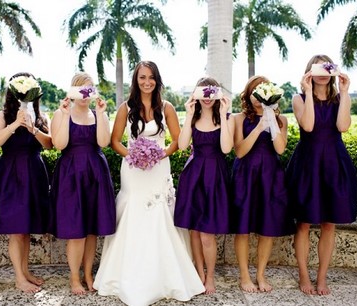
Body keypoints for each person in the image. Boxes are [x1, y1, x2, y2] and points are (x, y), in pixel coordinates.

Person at [93, 61, 205, 306]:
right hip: (133, 170)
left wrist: (159, 154)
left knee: (160, 214)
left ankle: (166, 276)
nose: (147, 82)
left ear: (157, 80)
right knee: (133, 211)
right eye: (142, 77)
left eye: (151, 77)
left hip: (158, 169)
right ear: (136, 80)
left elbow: (177, 141)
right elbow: (115, 141)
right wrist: (132, 155)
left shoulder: (167, 108)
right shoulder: (125, 108)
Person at [286, 55, 357, 295]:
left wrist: (345, 92)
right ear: (309, 72)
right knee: (304, 223)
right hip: (308, 163)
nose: (321, 73)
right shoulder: (298, 98)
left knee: (329, 223)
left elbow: (343, 127)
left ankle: (322, 277)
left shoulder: (339, 99)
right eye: (316, 68)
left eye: (327, 68)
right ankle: (304, 276)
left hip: (334, 162)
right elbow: (307, 125)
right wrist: (308, 92)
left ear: (333, 72)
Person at [49, 72, 116, 294]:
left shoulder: (98, 114)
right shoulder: (61, 114)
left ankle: (88, 274)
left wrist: (101, 113)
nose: (85, 94)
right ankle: (74, 277)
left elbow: (104, 142)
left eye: (89, 89)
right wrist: (66, 114)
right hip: (71, 175)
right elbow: (59, 144)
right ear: (72, 91)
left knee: (92, 230)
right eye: (81, 89)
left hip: (95, 173)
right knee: (76, 231)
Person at [231, 75, 295, 293]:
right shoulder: (238, 118)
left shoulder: (281, 120)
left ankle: (260, 274)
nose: (258, 97)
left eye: (263, 92)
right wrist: (259, 127)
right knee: (243, 229)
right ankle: (244, 276)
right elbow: (239, 151)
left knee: (267, 228)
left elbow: (279, 149)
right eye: (254, 92)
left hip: (271, 176)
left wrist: (270, 116)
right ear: (248, 95)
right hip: (245, 175)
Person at [0, 72, 52, 293]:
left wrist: (33, 129)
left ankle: (25, 272)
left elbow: (50, 144)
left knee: (26, 228)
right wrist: (15, 123)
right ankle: (19, 278)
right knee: (16, 229)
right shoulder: (2, 116)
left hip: (34, 174)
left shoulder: (41, 116)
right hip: (10, 175)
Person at [174, 76, 234, 294]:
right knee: (195, 230)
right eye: (203, 92)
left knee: (207, 233)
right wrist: (189, 114)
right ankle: (198, 272)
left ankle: (210, 276)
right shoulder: (193, 117)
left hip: (215, 176)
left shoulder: (225, 118)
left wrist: (223, 115)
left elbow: (227, 149)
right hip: (194, 174)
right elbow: (182, 146)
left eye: (212, 92)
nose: (207, 97)